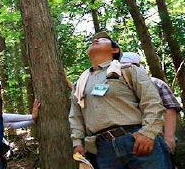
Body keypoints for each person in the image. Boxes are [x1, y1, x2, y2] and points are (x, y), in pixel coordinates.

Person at [69, 31, 172, 169]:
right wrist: (78, 144)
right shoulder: (80, 83)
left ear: (115, 49)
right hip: (103, 151)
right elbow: (76, 116)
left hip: (137, 141)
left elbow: (152, 101)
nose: (96, 40)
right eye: (93, 40)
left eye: (102, 39)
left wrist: (148, 133)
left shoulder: (129, 70)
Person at [120, 52, 181, 154]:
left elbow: (170, 108)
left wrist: (169, 136)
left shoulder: (155, 83)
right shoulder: (118, 87)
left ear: (138, 66)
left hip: (156, 136)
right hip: (127, 140)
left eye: (129, 65)